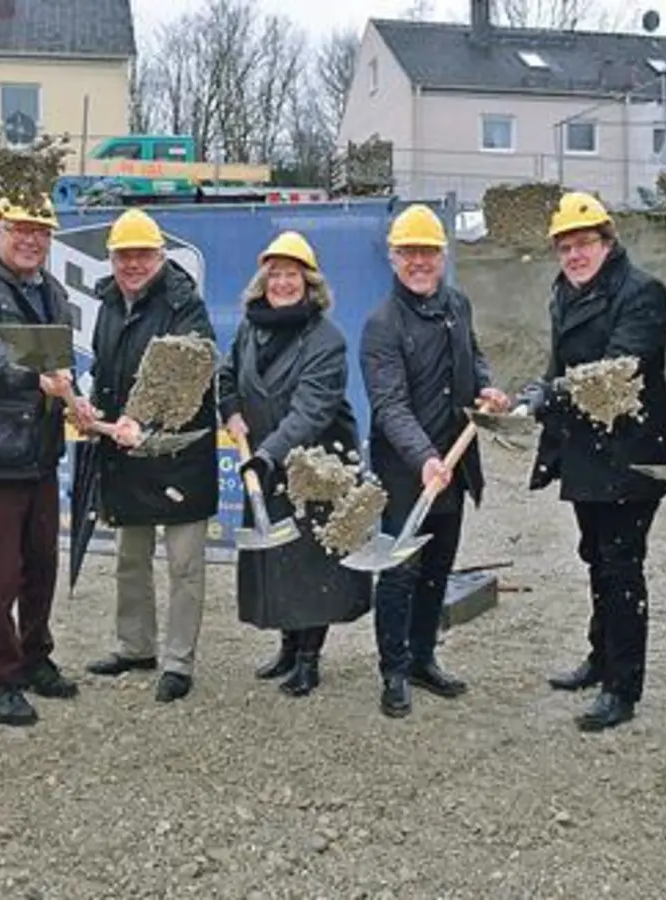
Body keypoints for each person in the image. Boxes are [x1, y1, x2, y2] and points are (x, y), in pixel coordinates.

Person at [517, 192, 666, 733]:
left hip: (629, 453)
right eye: (565, 247)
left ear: (608, 242)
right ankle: (601, 656)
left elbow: (618, 371)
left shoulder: (642, 292)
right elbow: (562, 362)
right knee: (595, 557)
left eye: (584, 243)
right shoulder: (565, 292)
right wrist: (537, 393)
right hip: (585, 450)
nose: (575, 255)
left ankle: (622, 687)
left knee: (622, 566)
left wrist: (550, 395)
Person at [0, 197, 91, 727]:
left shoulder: (52, 291)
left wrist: (77, 403)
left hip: (40, 455)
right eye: (20, 229)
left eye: (41, 231)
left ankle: (35, 656)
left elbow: (59, 368)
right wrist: (33, 375)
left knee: (40, 567)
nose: (31, 240)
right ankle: (2, 677)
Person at [360, 203, 509, 719]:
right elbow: (389, 406)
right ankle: (394, 671)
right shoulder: (382, 325)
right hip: (408, 473)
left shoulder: (457, 305)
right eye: (409, 253)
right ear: (393, 258)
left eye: (428, 252)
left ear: (442, 256)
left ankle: (423, 658)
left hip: (455, 464)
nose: (419, 262)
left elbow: (474, 356)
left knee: (437, 568)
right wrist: (424, 458)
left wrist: (486, 387)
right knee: (400, 572)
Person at [216, 232, 372, 696]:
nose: (282, 283)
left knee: (312, 562)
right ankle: (287, 647)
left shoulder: (326, 339)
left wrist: (267, 454)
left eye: (292, 275)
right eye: (275, 275)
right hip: (266, 458)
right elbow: (228, 374)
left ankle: (309, 659)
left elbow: (310, 412)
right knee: (277, 557)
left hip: (317, 465)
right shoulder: (251, 328)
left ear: (309, 283)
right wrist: (230, 410)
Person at [83, 208, 219, 704]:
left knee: (184, 565)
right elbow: (106, 368)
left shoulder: (186, 304)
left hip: (179, 452)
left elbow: (186, 375)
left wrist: (141, 420)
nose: (133, 264)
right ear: (112, 259)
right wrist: (93, 407)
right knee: (130, 558)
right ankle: (135, 646)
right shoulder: (108, 303)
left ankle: (179, 661)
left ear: (161, 256)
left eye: (142, 254)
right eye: (124, 255)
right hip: (126, 451)